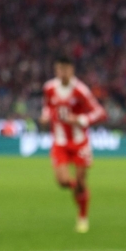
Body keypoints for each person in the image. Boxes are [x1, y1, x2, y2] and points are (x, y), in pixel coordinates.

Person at [40, 56, 107, 233]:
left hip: (79, 143)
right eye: (59, 69)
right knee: (62, 181)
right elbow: (47, 106)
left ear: (71, 70)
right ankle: (80, 191)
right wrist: (45, 116)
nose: (62, 73)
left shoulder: (80, 90)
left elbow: (100, 112)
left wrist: (79, 119)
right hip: (60, 142)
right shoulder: (49, 88)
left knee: (80, 181)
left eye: (65, 69)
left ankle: (82, 217)